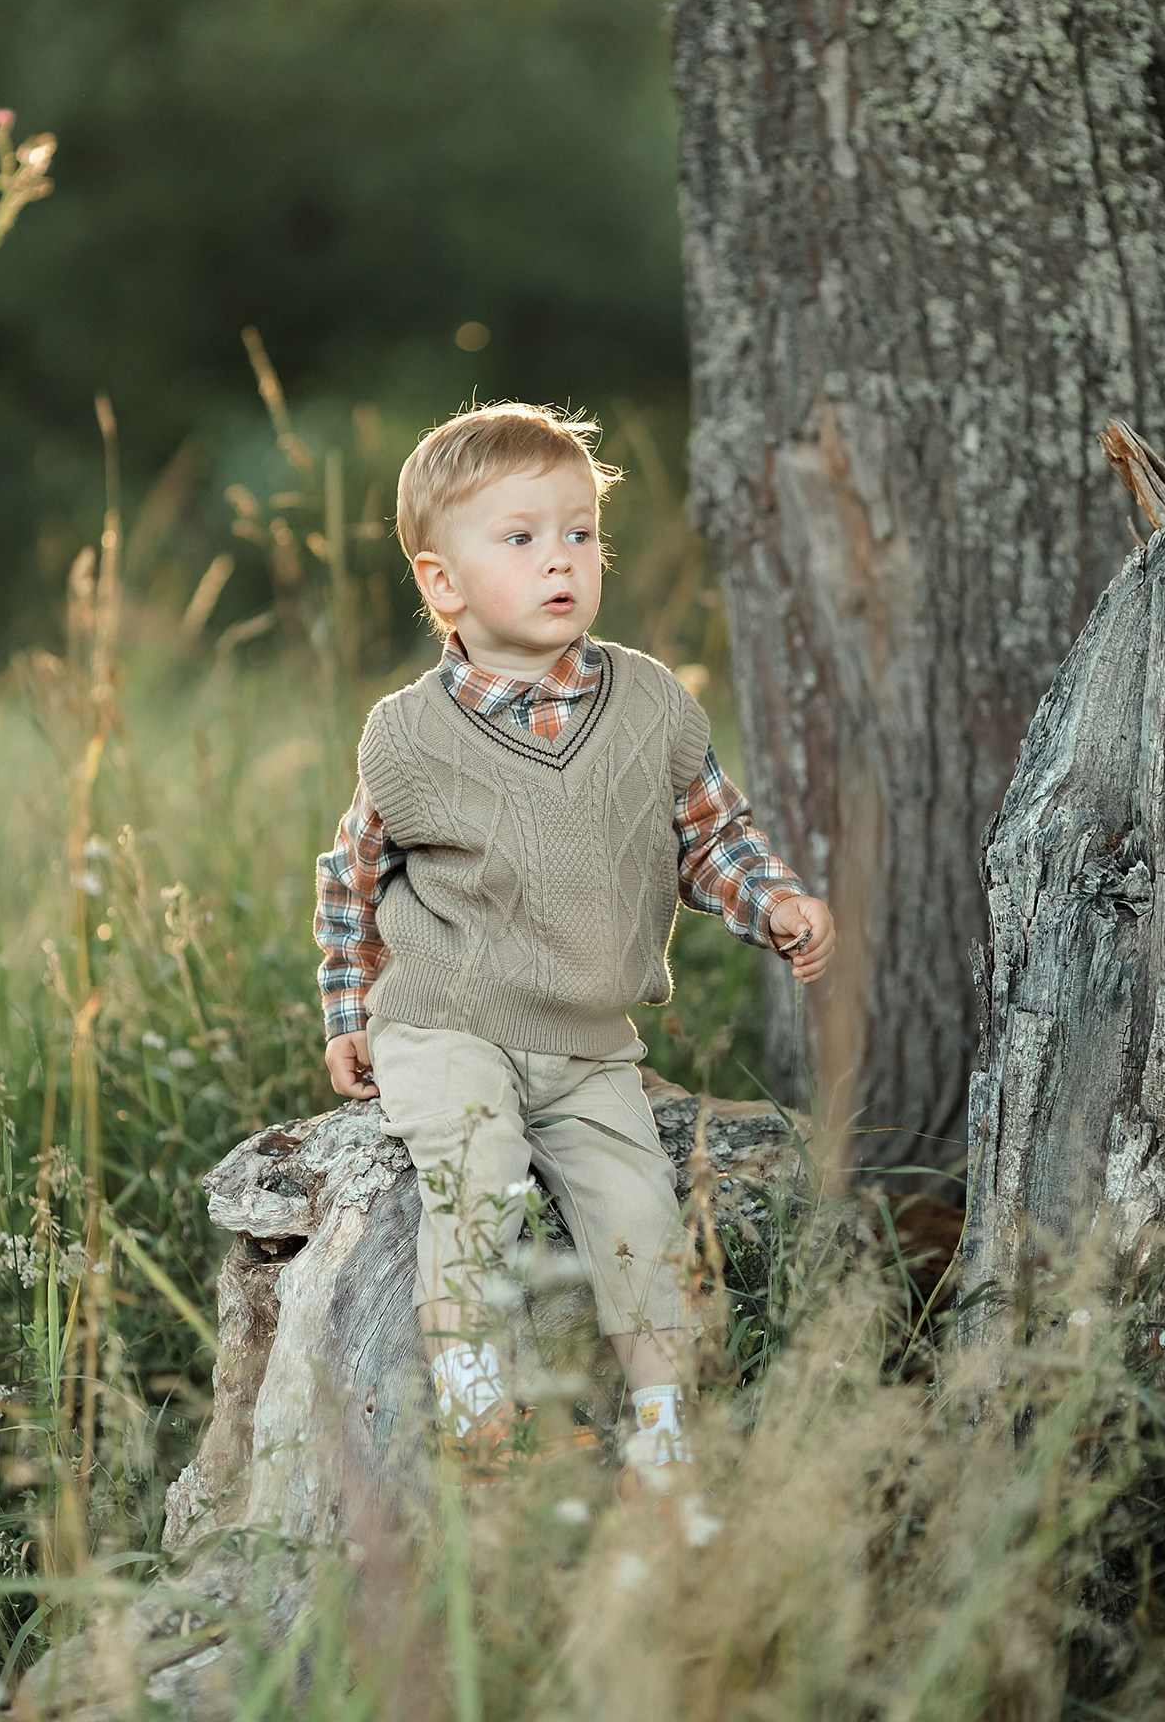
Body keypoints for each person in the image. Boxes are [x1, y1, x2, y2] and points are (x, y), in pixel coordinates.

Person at [315, 402, 835, 1486]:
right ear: (441, 582)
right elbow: (351, 876)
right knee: (476, 1170)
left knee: (641, 1218)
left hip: (592, 1044)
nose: (562, 560)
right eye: (520, 539)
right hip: (451, 1020)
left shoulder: (648, 703)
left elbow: (710, 835)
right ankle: (472, 1392)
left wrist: (775, 903)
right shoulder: (405, 735)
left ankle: (661, 1425)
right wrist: (350, 1012)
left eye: (579, 534)